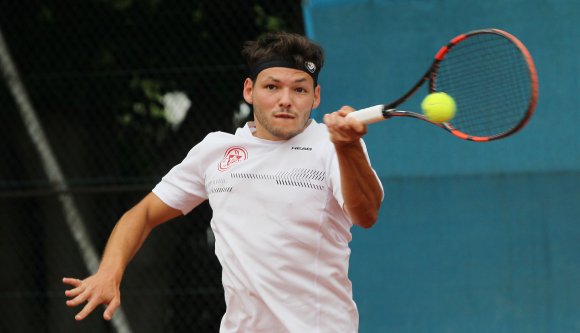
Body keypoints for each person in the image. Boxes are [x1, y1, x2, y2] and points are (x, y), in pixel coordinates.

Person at [63, 31, 383, 333]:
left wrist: (348, 147)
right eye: (272, 87)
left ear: (315, 97)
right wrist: (109, 271)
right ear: (249, 90)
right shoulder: (215, 150)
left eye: (299, 89)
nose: (286, 99)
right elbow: (142, 214)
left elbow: (365, 215)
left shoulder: (333, 146)